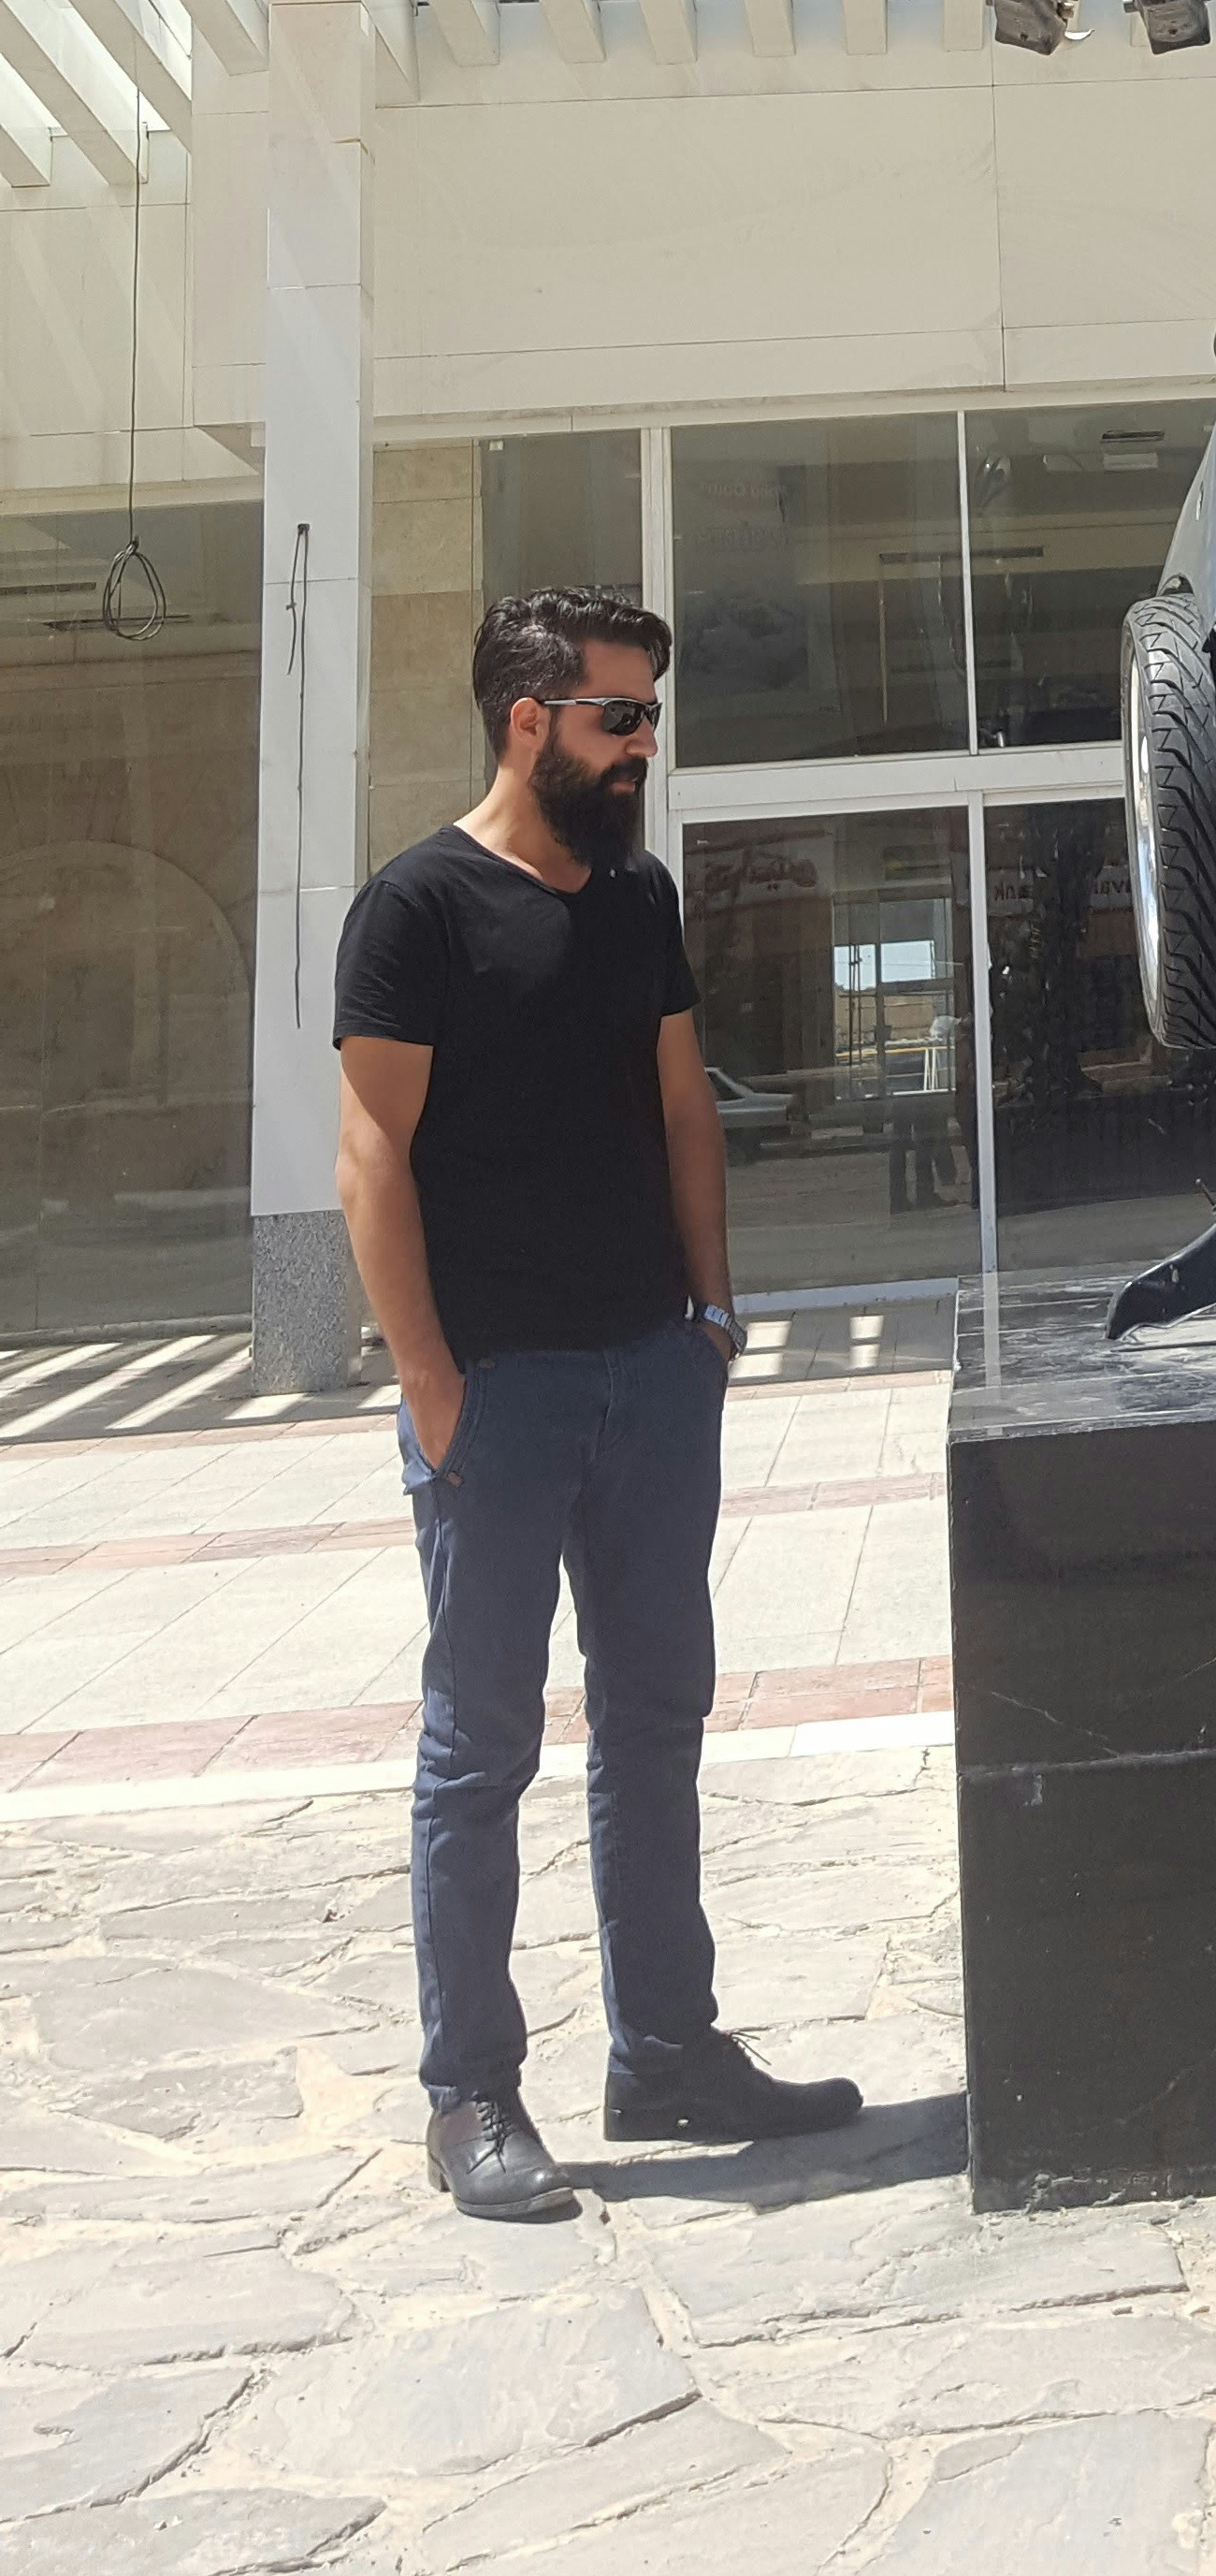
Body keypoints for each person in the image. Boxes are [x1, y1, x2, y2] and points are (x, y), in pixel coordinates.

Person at [334, 584, 862, 2222]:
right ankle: (471, 2094)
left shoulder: (634, 897)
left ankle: (668, 2053)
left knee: (656, 1721)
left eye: (650, 717)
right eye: (618, 718)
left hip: (651, 1373)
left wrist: (711, 1315)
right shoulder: (413, 910)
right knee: (479, 1745)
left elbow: (685, 1113)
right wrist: (432, 1388)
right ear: (527, 722)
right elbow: (371, 1160)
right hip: (495, 1395)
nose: (643, 747)